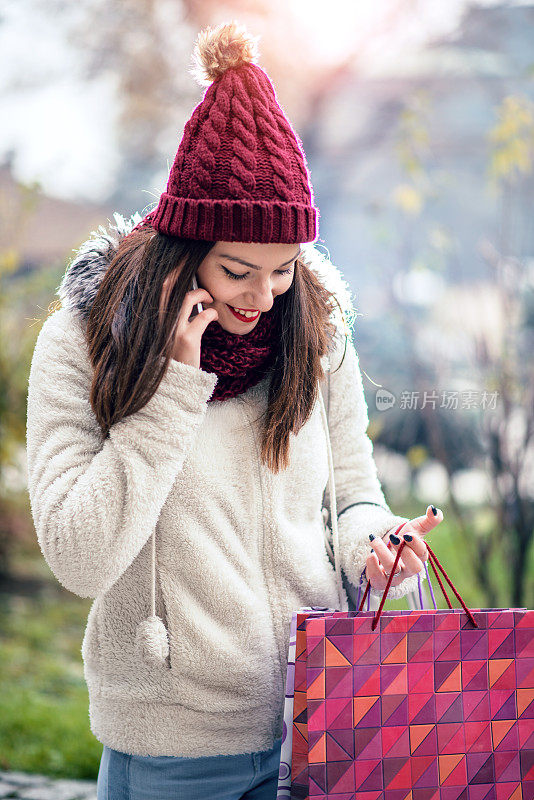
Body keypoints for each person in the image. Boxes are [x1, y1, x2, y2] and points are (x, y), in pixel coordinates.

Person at [25, 21, 443, 800]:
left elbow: (352, 495)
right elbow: (78, 557)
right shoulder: (86, 343)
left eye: (283, 269)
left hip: (325, 725)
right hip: (176, 752)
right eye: (238, 271)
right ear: (184, 248)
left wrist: (376, 547)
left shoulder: (315, 337)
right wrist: (172, 392)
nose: (263, 297)